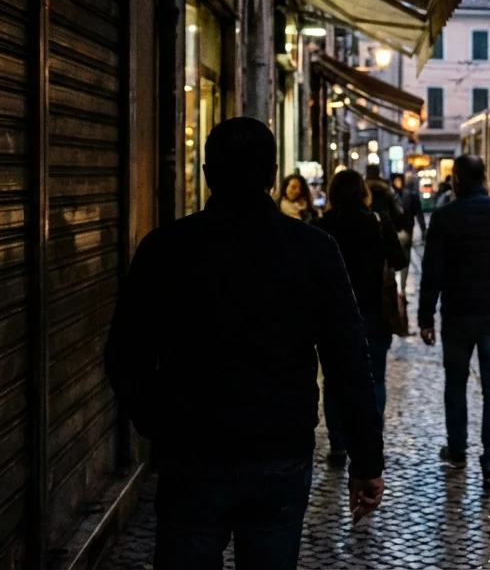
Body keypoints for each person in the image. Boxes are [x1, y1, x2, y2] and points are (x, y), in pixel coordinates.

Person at [105, 118, 384, 570]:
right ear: (273, 176)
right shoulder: (313, 250)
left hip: (193, 452)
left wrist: (161, 423)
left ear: (208, 173)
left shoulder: (166, 248)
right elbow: (348, 362)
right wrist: (366, 459)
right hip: (278, 452)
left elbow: (124, 354)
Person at [417, 155, 490, 490]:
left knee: (456, 382)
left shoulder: (444, 217)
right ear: (485, 178)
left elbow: (432, 271)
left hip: (458, 314)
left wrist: (426, 316)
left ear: (456, 182)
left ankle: (457, 449)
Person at [316, 170, 408, 465]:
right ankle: (371, 437)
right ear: (364, 193)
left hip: (332, 314)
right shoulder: (378, 223)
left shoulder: (323, 225)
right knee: (374, 378)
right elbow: (399, 260)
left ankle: (338, 444)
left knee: (333, 380)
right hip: (373, 311)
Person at [391, 172, 422, 290]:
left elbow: (417, 213)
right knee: (404, 259)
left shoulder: (391, 195)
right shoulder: (395, 195)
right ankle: (401, 288)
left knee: (403, 258)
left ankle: (401, 288)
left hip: (401, 230)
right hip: (401, 230)